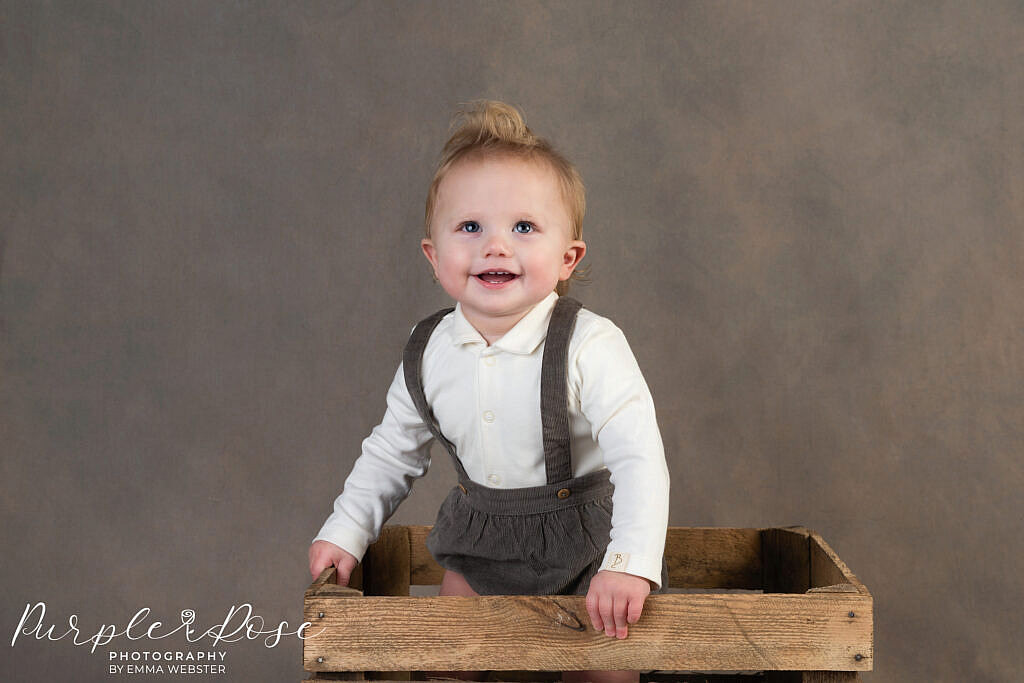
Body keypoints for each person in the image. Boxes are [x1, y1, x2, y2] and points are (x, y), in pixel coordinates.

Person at [309, 100, 669, 683]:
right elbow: (392, 450)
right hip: (483, 546)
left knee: (606, 670)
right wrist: (346, 529)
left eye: (524, 228)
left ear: (566, 259)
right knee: (448, 659)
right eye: (470, 227)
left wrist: (628, 565)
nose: (495, 246)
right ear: (434, 256)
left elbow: (639, 457)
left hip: (589, 551)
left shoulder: (589, 344)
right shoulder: (428, 348)